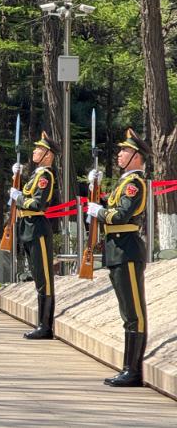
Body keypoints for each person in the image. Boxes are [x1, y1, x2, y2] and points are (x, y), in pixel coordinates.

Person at [86, 129, 152, 387]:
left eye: (125, 150)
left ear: (136, 156)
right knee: (127, 312)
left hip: (127, 249)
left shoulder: (135, 183)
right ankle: (127, 367)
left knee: (134, 312)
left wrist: (99, 211)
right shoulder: (123, 183)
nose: (120, 154)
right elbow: (108, 206)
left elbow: (119, 215)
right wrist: (95, 191)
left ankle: (132, 371)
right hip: (116, 249)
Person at [9, 131, 60, 340]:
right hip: (28, 227)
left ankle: (45, 326)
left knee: (44, 279)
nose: (34, 151)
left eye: (39, 148)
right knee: (38, 278)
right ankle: (41, 323)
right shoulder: (36, 175)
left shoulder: (45, 176)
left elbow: (38, 204)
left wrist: (19, 197)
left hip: (38, 228)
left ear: (47, 154)